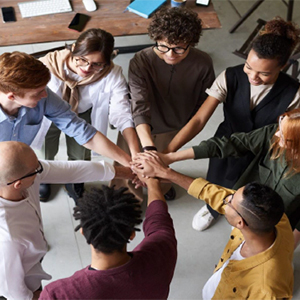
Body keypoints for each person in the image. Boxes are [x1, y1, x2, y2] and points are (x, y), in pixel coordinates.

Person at [163, 16, 300, 230]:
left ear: (282, 66)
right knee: (218, 178)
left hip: (262, 152)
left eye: (264, 73)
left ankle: (239, 214)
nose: (253, 77)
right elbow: (199, 120)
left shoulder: (294, 93)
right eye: (248, 67)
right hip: (226, 142)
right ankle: (212, 208)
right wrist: (168, 154)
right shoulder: (230, 76)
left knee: (250, 189)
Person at [131, 153, 294, 299]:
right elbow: (215, 192)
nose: (225, 199)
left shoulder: (266, 288)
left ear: (240, 223)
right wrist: (166, 174)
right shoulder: (276, 218)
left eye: (230, 202)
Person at [143, 108, 300, 248]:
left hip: (275, 225)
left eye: (285, 137)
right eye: (280, 127)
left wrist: (286, 249)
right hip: (244, 203)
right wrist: (171, 158)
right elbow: (232, 144)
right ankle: (214, 210)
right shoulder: (274, 134)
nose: (277, 134)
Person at [0, 141, 136, 300]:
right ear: (18, 184)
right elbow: (11, 290)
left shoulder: (20, 177)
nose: (41, 169)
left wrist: (126, 172)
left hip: (30, 256)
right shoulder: (8, 239)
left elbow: (70, 170)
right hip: (21, 281)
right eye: (36, 169)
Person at [0, 51, 132, 203]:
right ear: (12, 96)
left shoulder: (41, 95)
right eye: (38, 92)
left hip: (20, 173)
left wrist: (129, 163)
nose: (44, 95)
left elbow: (80, 130)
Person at [39, 28, 140, 203]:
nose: (86, 68)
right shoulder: (47, 65)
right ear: (73, 49)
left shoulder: (111, 73)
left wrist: (135, 154)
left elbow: (121, 112)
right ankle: (45, 175)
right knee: (45, 149)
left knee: (81, 155)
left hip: (82, 113)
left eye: (96, 64)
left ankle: (74, 182)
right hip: (48, 115)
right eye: (82, 60)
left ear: (107, 62)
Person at [128, 7, 215, 200]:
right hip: (140, 126)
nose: (170, 54)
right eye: (163, 47)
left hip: (175, 126)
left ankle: (162, 190)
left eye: (179, 49)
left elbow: (202, 108)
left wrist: (163, 155)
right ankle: (130, 198)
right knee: (130, 165)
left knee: (163, 168)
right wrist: (150, 150)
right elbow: (139, 106)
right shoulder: (140, 61)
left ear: (191, 43)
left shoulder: (203, 64)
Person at [39, 178, 177, 299]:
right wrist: (153, 184)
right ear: (132, 234)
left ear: (83, 232)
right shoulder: (162, 251)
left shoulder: (58, 294)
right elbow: (159, 220)